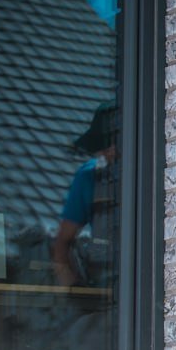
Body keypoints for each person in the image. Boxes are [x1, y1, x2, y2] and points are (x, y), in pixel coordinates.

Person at [52, 101, 117, 288]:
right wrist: (74, 290)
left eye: (113, 143)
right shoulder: (89, 177)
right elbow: (61, 245)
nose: (110, 151)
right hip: (105, 292)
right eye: (105, 145)